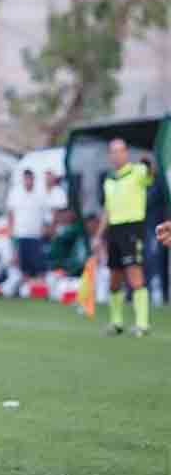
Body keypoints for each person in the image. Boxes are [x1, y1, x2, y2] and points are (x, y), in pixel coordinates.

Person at [92, 139, 153, 337]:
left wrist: (150, 164)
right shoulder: (109, 180)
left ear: (126, 153)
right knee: (114, 280)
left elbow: (152, 173)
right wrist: (98, 236)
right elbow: (107, 210)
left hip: (132, 228)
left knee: (135, 275)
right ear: (109, 156)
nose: (116, 155)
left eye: (120, 151)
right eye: (113, 152)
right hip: (114, 231)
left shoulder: (138, 171)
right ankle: (116, 322)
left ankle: (142, 324)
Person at [7, 169, 50, 288]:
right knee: (23, 265)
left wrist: (45, 229)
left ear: (33, 180)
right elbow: (10, 214)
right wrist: (11, 231)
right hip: (21, 234)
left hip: (36, 235)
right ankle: (26, 288)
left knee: (38, 264)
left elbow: (46, 215)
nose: (28, 182)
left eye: (30, 179)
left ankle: (40, 287)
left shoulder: (40, 195)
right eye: (26, 179)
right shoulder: (15, 194)